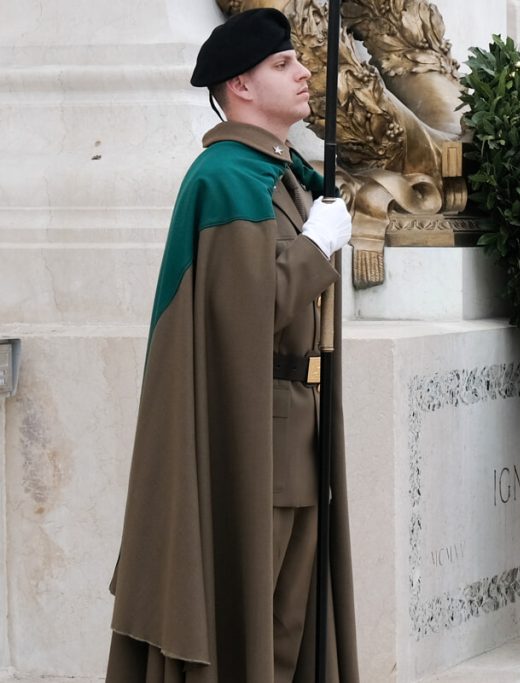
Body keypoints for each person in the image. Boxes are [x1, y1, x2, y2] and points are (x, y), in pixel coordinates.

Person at [105, 9, 358, 682]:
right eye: (282, 64)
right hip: (256, 436)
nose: (304, 72)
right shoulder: (224, 179)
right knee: (252, 627)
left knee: (288, 629)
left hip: (298, 431)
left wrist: (315, 238)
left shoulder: (283, 173)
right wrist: (315, 249)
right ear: (239, 86)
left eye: (298, 59)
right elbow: (252, 309)